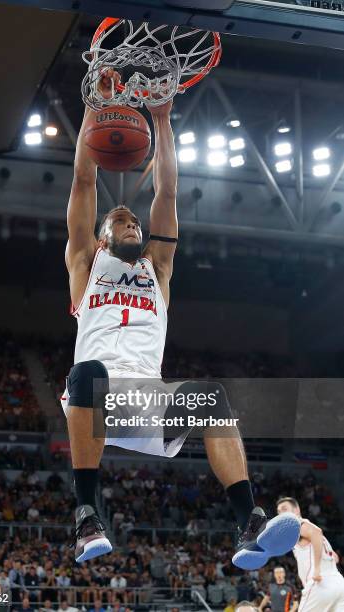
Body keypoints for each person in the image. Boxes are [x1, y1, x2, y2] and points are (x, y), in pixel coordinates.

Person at [62, 66, 300, 569]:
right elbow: (85, 178)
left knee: (211, 396)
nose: (130, 221)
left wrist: (163, 119)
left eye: (133, 220)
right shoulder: (87, 263)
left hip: (146, 399)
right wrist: (94, 107)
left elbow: (166, 194)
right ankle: (87, 515)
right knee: (87, 371)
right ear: (103, 235)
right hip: (94, 400)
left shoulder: (158, 268)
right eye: (120, 219)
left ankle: (249, 523)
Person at [277, 497, 344, 611]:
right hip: (338, 584)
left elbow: (316, 532)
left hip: (319, 584)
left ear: (296, 510)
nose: (281, 513)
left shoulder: (298, 524)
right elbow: (335, 558)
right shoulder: (308, 532)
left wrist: (317, 568)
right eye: (278, 512)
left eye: (284, 509)